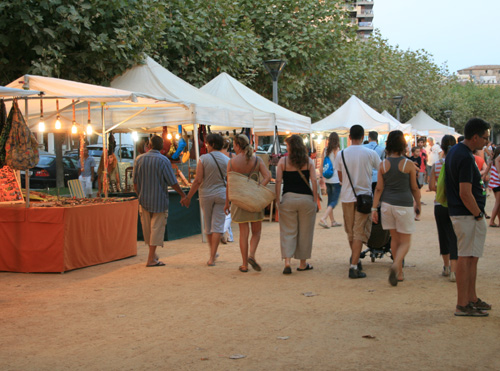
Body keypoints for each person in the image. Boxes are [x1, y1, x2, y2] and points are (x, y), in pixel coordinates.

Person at [445, 118, 491, 317]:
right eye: (485, 138)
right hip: (467, 215)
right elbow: (465, 192)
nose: (486, 142)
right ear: (475, 137)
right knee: (466, 258)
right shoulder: (464, 156)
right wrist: (478, 214)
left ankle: (470, 299)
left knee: (471, 258)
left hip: (463, 214)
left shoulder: (457, 151)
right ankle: (463, 303)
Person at [372, 131, 421, 286]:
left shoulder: (383, 164)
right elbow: (414, 187)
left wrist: (374, 208)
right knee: (405, 241)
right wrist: (418, 203)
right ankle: (395, 265)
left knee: (394, 238)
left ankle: (399, 272)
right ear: (403, 145)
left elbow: (379, 188)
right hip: (404, 205)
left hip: (387, 205)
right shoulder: (409, 165)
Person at [334, 125, 380, 279]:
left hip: (347, 197)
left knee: (351, 232)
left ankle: (355, 260)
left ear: (349, 137)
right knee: (359, 231)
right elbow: (381, 170)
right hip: (365, 197)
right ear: (363, 137)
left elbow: (340, 178)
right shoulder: (370, 153)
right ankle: (354, 265)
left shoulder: (341, 154)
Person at [133, 135, 187, 267]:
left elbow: (135, 181)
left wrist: (139, 194)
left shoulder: (139, 159)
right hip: (159, 200)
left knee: (147, 229)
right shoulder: (163, 161)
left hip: (144, 199)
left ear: (149, 145)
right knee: (156, 229)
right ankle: (151, 258)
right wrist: (182, 195)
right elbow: (172, 182)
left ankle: (153, 255)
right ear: (162, 147)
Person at [224, 134, 271, 273]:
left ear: (238, 146)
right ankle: (252, 255)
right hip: (254, 199)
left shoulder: (232, 162)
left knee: (243, 233)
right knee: (256, 232)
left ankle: (244, 264)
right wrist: (258, 187)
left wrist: (227, 203)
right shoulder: (256, 160)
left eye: (234, 144)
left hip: (239, 200)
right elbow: (268, 176)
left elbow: (229, 185)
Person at [182, 133, 229, 266]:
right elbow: (230, 181)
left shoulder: (203, 159)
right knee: (218, 226)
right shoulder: (227, 160)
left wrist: (188, 197)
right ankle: (212, 256)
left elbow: (197, 180)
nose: (206, 146)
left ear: (212, 144)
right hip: (221, 194)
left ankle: (211, 255)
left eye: (207, 143)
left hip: (206, 195)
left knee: (208, 226)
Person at [275, 135, 318, 274]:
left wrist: (277, 200)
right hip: (306, 199)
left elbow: (278, 182)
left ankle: (287, 262)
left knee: (288, 231)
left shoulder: (283, 161)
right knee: (305, 232)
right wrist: (315, 199)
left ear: (291, 147)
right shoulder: (308, 161)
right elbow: (314, 181)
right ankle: (302, 263)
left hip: (288, 199)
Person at [429, 135, 458, 282]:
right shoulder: (457, 163)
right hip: (454, 205)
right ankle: (454, 270)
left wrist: (440, 190)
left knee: (443, 235)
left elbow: (431, 186)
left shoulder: (437, 164)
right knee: (454, 236)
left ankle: (446, 266)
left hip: (439, 204)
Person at [318, 132, 341, 228]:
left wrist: (320, 177)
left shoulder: (325, 150)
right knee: (334, 200)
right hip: (335, 178)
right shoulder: (337, 149)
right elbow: (339, 164)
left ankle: (333, 221)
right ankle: (324, 218)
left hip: (328, 178)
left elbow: (321, 165)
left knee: (330, 200)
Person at [220, 136, 234, 244]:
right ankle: (226, 233)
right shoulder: (232, 156)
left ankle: (228, 234)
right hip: (230, 184)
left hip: (221, 184)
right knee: (229, 211)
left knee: (225, 211)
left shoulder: (216, 156)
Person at [487, 147, 500, 227]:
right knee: (498, 203)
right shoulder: (496, 162)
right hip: (497, 184)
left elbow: (486, 171)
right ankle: (492, 220)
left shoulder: (492, 162)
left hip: (494, 185)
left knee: (498, 203)